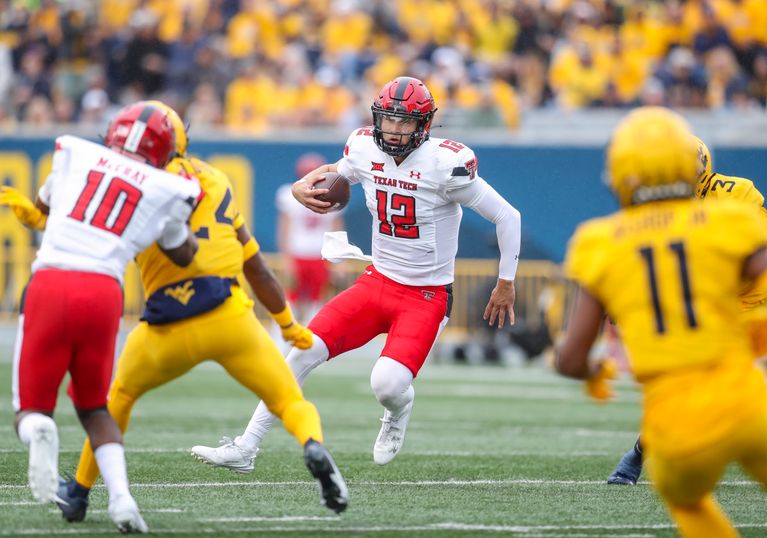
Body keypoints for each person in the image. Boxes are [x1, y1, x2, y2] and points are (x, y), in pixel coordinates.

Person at [3, 101, 349, 523]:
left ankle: (78, 493)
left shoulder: (127, 177)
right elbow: (253, 264)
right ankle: (312, 444)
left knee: (113, 404)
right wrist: (288, 325)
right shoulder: (216, 180)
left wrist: (35, 213)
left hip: (162, 323)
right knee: (289, 400)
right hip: (228, 314)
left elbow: (72, 213)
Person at [191, 76, 521, 469]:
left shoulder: (446, 165)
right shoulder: (364, 147)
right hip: (377, 280)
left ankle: (398, 410)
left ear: (424, 125)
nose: (394, 130)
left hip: (426, 294)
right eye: (388, 120)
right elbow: (336, 171)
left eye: (405, 122)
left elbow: (507, 215)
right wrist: (300, 188)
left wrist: (506, 282)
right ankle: (246, 447)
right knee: (301, 349)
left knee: (386, 385)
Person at [556, 106, 767, 537]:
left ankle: (637, 456)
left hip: (738, 311)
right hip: (741, 385)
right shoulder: (726, 222)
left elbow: (570, 358)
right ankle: (636, 455)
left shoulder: (603, 242)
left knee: (687, 491)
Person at [3, 101, 202, 534]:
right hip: (103, 293)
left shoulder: (77, 157)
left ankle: (40, 431)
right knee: (94, 406)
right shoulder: (165, 186)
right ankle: (122, 500)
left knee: (30, 409)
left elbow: (44, 204)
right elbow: (185, 254)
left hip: (52, 282)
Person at [607, 135, 767, 486]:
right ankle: (642, 453)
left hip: (765, 280)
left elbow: (756, 251)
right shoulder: (661, 208)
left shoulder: (732, 194)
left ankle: (641, 456)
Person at [276, 152, 344, 324]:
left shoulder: (334, 195)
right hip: (298, 252)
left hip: (320, 254)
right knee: (291, 299)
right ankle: (284, 339)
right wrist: (286, 258)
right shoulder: (289, 196)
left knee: (317, 300)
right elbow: (284, 229)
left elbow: (337, 229)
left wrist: (339, 261)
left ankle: (312, 339)